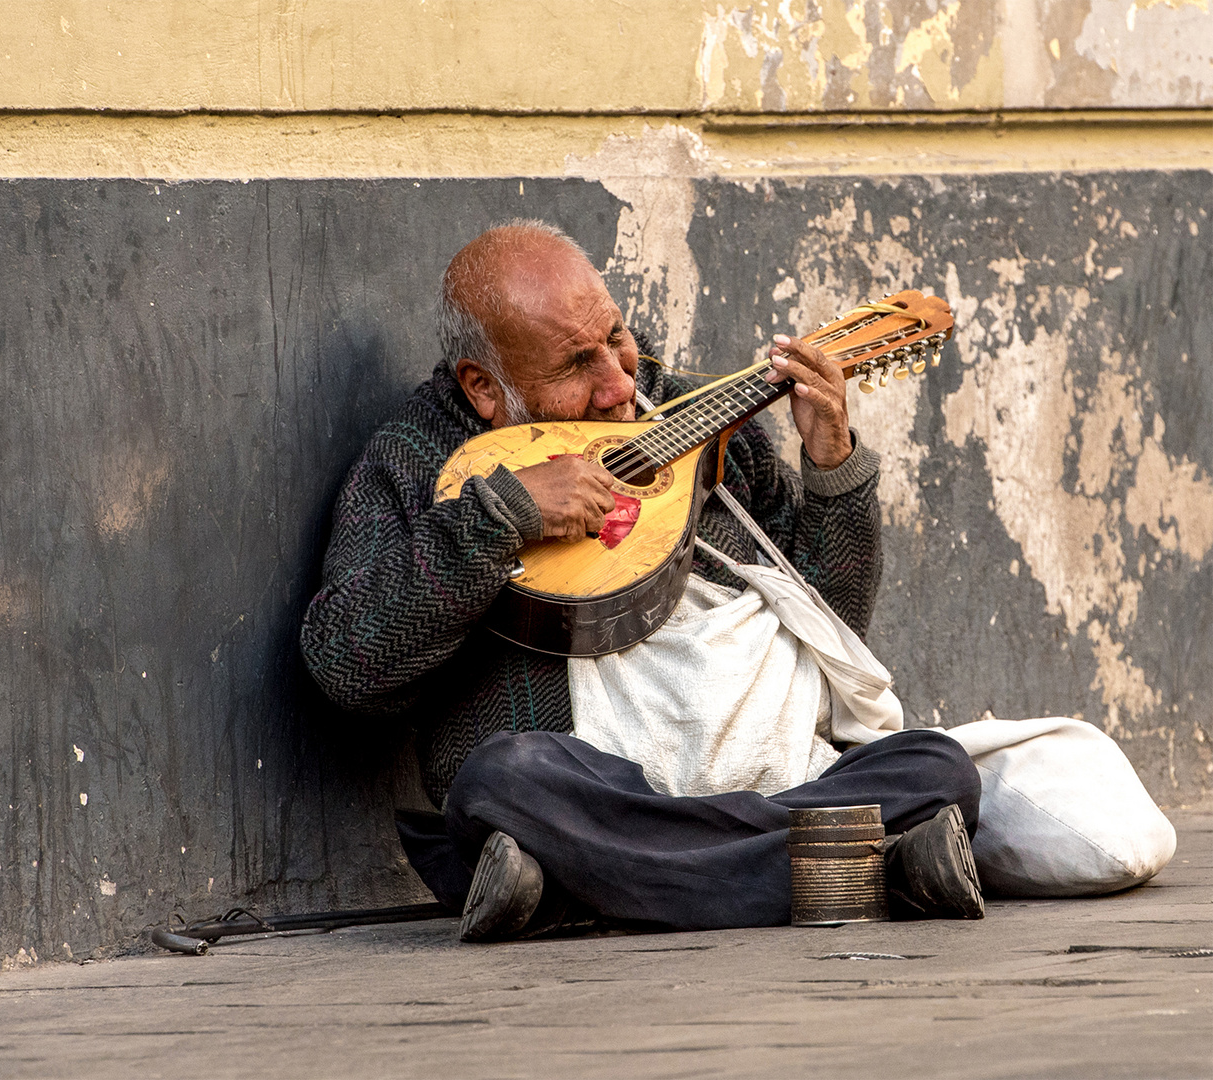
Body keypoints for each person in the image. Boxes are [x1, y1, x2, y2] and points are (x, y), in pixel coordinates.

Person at [300, 221, 984, 941]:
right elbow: (346, 665)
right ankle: (853, 867)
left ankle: (584, 890)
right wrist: (496, 516)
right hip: (589, 790)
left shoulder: (692, 413)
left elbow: (833, 622)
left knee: (934, 766)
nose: (618, 384)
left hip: (774, 772)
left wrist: (831, 466)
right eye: (575, 366)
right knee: (500, 782)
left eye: (616, 339)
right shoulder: (413, 457)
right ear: (482, 387)